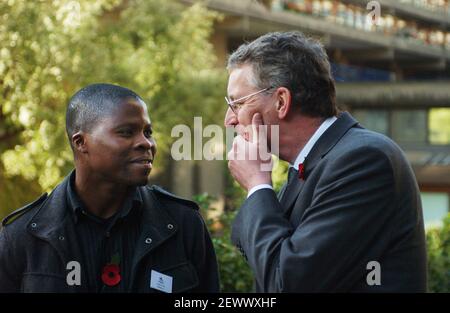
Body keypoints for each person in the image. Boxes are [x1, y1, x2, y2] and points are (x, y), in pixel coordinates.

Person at [224, 31, 427, 292]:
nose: (230, 120)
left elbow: (289, 283)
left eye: (237, 103)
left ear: (281, 101)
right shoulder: (311, 164)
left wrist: (257, 185)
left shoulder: (363, 160)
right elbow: (255, 250)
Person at [0, 83, 220, 293]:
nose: (146, 143)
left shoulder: (183, 224)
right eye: (126, 132)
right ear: (80, 142)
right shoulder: (23, 235)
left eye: (148, 132)